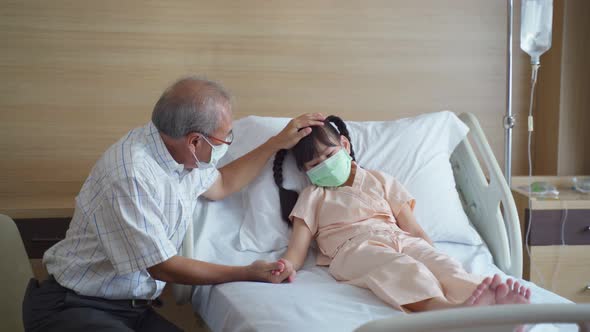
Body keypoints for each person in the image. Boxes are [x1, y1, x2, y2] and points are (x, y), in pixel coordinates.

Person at [22, 76, 323, 332]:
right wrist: (247, 272)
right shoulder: (131, 174)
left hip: (130, 309)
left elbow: (222, 185)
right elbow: (162, 266)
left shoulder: (180, 156)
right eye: (225, 137)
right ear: (195, 141)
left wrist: (275, 143)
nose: (228, 143)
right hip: (75, 306)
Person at [271, 115, 531, 313]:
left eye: (330, 154)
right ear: (306, 172)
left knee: (443, 266)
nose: (326, 165)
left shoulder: (379, 180)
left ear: (345, 145)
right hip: (353, 250)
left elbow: (413, 229)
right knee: (402, 269)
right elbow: (298, 249)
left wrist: (429, 252)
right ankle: (448, 313)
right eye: (315, 164)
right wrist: (285, 265)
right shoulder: (313, 195)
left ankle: (492, 305)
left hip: (399, 238)